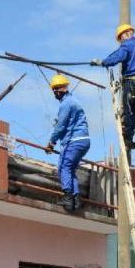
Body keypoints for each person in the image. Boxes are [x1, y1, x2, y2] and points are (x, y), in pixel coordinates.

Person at [90, 23, 135, 150]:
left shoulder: (127, 45)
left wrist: (102, 62)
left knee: (128, 112)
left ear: (124, 34)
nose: (121, 40)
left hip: (132, 82)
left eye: (120, 38)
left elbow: (118, 56)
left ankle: (128, 139)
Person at [45, 73, 90, 213]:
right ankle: (75, 200)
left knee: (63, 167)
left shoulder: (66, 104)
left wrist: (51, 143)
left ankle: (68, 198)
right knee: (70, 169)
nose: (55, 93)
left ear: (58, 90)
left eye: (55, 90)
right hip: (84, 141)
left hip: (74, 141)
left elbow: (61, 126)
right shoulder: (74, 101)